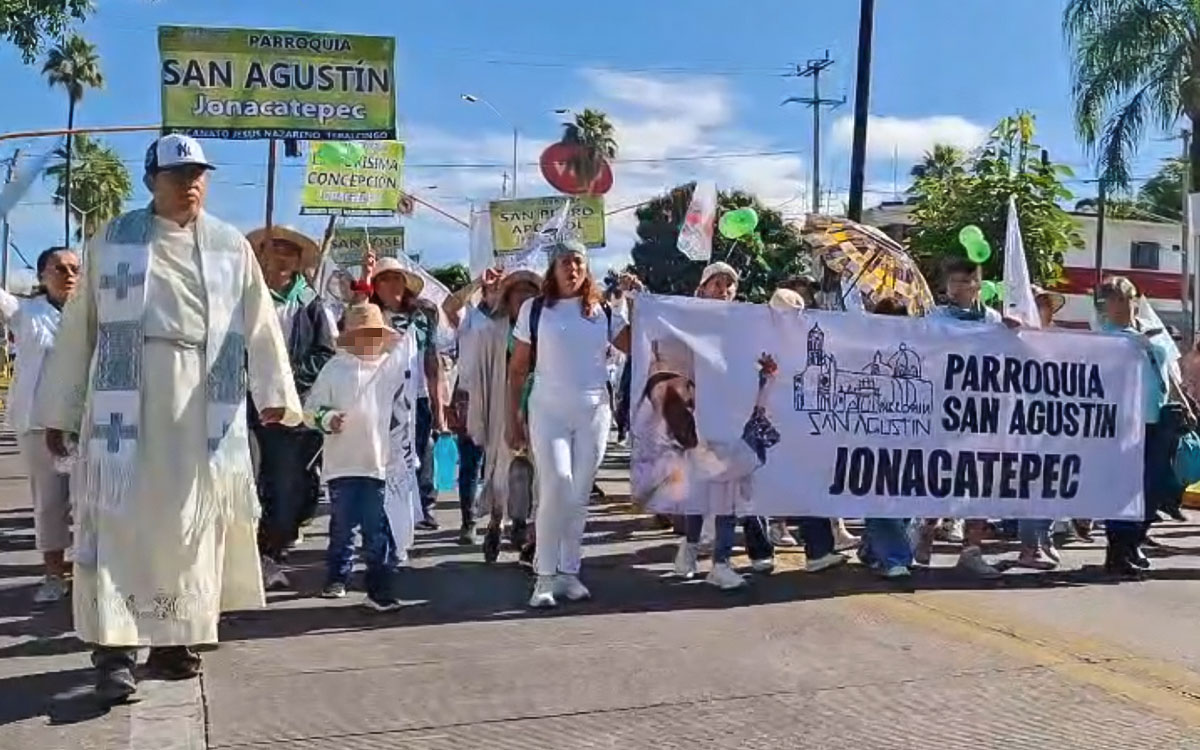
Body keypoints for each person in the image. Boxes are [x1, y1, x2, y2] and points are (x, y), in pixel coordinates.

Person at [36, 134, 300, 704]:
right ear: (151, 179)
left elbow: (259, 324)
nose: (191, 184)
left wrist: (275, 390)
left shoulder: (231, 246)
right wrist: (60, 408)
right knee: (118, 523)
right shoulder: (113, 241)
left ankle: (176, 640)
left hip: (203, 402)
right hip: (124, 403)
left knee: (190, 524)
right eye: (179, 175)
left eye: (199, 174)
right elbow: (79, 331)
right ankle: (112, 652)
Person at [507, 239, 630, 608]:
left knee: (578, 494)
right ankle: (544, 576)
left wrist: (644, 301)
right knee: (557, 484)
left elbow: (639, 344)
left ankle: (569, 573)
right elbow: (516, 370)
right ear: (553, 269)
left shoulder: (604, 311)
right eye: (564, 263)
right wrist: (514, 416)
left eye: (577, 262)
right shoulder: (535, 310)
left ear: (586, 268)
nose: (571, 269)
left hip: (594, 411)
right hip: (548, 409)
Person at [305, 302, 414, 608]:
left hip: (376, 464)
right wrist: (328, 419)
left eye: (374, 334)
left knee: (375, 528)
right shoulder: (334, 369)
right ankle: (337, 575)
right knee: (342, 525)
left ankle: (379, 588)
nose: (369, 341)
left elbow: (403, 408)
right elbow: (310, 411)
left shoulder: (389, 369)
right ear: (351, 337)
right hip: (342, 465)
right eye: (363, 334)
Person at [674, 262, 780, 574]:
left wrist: (765, 372)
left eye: (729, 284)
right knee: (703, 490)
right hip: (701, 419)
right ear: (703, 287)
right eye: (717, 283)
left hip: (735, 421)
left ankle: (719, 563)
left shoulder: (744, 324)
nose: (724, 289)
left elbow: (755, 362)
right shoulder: (690, 321)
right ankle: (691, 552)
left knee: (727, 492)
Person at [245, 225, 336, 589]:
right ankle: (249, 551)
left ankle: (274, 548)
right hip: (247, 406)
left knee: (288, 482)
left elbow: (325, 352)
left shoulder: (311, 303)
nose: (280, 257)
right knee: (249, 479)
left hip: (290, 408)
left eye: (288, 251)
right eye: (273, 249)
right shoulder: (245, 299)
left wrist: (287, 380)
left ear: (298, 262)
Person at [915, 256, 1015, 578]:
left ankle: (971, 550)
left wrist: (1012, 334)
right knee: (942, 477)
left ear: (977, 285)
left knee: (981, 481)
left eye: (964, 281)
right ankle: (925, 534)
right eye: (952, 281)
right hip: (945, 411)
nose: (957, 287)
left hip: (983, 413)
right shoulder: (935, 318)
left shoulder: (992, 319)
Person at [0, 246, 79, 604]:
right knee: (49, 503)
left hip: (86, 424)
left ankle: (88, 572)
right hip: (37, 423)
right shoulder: (24, 312)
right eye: (59, 269)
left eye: (74, 268)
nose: (68, 275)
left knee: (92, 501)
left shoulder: (92, 313)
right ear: (42, 276)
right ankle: (53, 573)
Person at [1096, 276, 1182, 576]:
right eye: (1114, 299)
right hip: (1122, 423)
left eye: (1126, 298)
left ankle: (1134, 541)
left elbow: (1169, 372)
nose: (1121, 305)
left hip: (1156, 419)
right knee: (1123, 489)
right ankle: (1118, 550)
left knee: (1154, 487)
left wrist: (1181, 401)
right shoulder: (1103, 338)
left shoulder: (1152, 331)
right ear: (1104, 305)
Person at [463, 265, 542, 563]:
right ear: (507, 299)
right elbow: (476, 364)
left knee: (539, 473)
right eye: (517, 292)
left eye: (530, 293)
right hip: (502, 407)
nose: (523, 298)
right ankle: (496, 522)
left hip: (539, 407)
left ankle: (531, 534)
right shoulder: (494, 331)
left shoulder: (545, 329)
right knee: (500, 471)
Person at [371, 258, 447, 530]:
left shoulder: (423, 316)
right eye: (384, 279)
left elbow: (432, 360)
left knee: (422, 448)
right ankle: (388, 504)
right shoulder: (370, 315)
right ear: (375, 286)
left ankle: (425, 505)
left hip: (417, 395)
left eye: (397, 278)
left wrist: (439, 408)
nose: (392, 285)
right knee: (386, 452)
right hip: (381, 397)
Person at [853, 296, 916, 579]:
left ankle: (872, 547)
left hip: (907, 430)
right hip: (873, 430)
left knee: (903, 496)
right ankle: (894, 557)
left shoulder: (916, 349)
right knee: (880, 492)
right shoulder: (861, 347)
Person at [1013, 285, 1068, 570]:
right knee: (1031, 485)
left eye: (1045, 304)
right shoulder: (1014, 340)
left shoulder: (1060, 339)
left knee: (1054, 484)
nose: (1042, 309)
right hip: (1024, 422)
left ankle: (1044, 537)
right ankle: (1029, 547)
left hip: (1056, 422)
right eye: (1037, 304)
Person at [448, 268, 502, 545]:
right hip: (469, 396)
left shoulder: (513, 319)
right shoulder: (470, 317)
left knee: (500, 464)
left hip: (502, 397)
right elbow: (449, 305)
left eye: (500, 287)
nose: (496, 290)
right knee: (470, 463)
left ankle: (498, 518)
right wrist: (477, 283)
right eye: (492, 287)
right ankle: (468, 522)